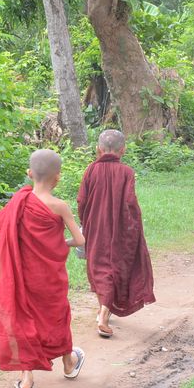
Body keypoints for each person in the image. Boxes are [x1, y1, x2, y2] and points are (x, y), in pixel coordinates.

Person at [0, 149, 86, 388]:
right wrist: (60, 243)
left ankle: (26, 378)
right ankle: (68, 362)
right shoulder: (60, 206)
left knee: (24, 318)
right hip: (49, 277)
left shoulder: (18, 202)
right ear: (58, 178)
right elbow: (79, 239)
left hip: (23, 274)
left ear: (29, 173)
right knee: (56, 316)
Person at [76, 129, 156, 338]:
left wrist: (84, 221)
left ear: (98, 149)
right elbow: (130, 202)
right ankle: (104, 313)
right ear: (123, 150)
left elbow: (82, 200)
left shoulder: (90, 170)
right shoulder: (127, 172)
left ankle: (103, 312)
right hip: (120, 226)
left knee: (99, 266)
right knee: (114, 265)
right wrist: (134, 226)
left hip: (95, 225)